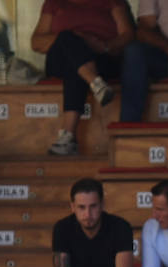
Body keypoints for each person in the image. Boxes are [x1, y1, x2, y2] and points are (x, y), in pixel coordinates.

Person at [30, 0, 134, 156]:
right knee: (68, 38)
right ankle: (95, 82)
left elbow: (128, 35)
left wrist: (105, 47)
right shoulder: (54, 2)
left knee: (76, 65)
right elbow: (36, 42)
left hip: (102, 57)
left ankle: (68, 137)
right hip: (60, 59)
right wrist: (77, 39)